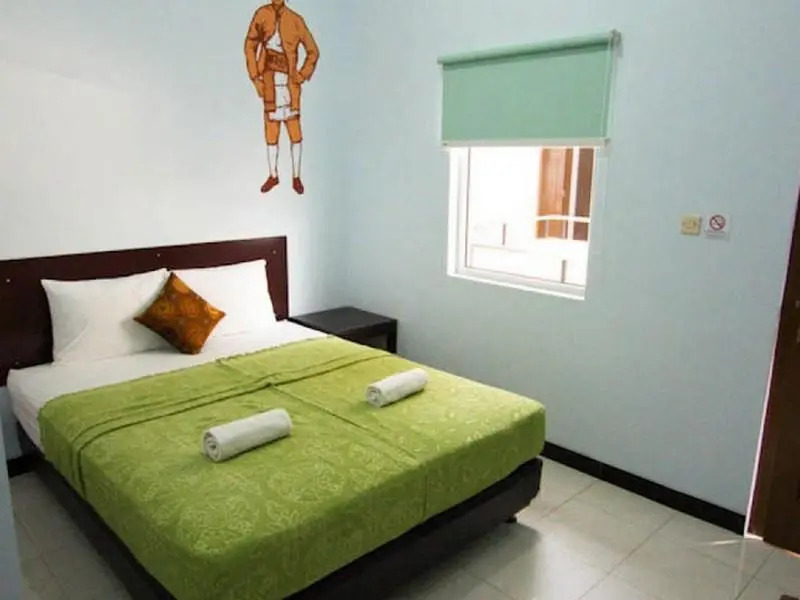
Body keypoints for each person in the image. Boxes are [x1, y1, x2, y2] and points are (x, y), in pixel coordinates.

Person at [245, 0, 319, 195]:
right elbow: (250, 45)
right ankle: (273, 175)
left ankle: (296, 176)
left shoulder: (295, 20)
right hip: (268, 81)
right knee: (271, 131)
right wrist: (255, 77)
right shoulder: (261, 15)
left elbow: (313, 51)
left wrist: (302, 75)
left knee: (295, 131)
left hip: (290, 85)